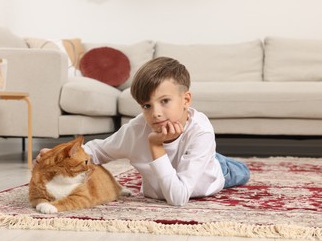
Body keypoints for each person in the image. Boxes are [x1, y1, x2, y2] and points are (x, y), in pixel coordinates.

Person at [36, 57, 250, 206]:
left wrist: (156, 146)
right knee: (190, 158)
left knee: (241, 171)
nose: (156, 113)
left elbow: (178, 198)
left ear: (186, 100)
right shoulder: (137, 129)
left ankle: (217, 159)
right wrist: (56, 156)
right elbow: (97, 151)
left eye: (165, 101)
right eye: (147, 105)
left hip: (212, 175)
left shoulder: (201, 131)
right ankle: (209, 156)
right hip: (177, 168)